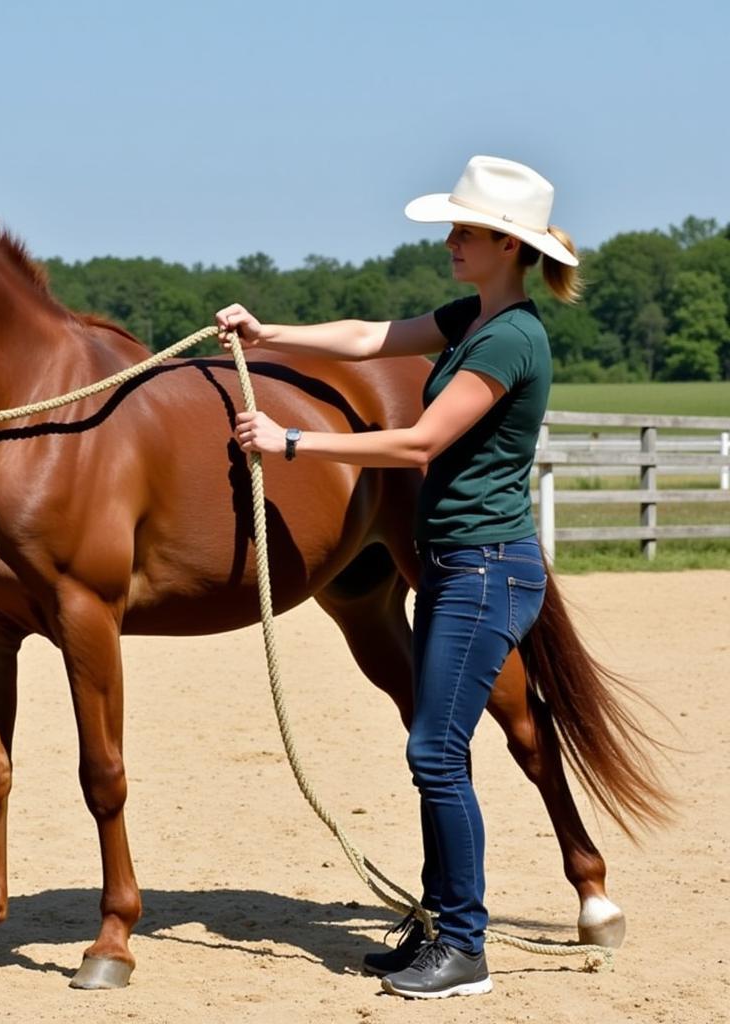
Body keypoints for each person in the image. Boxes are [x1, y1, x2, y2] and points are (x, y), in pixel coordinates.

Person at [215, 155, 582, 1000]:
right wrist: (270, 335)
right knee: (435, 748)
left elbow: (419, 444)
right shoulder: (470, 319)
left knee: (435, 748)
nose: (450, 242)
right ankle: (439, 930)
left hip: (489, 569)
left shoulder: (511, 339)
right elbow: (368, 338)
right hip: (460, 565)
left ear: (506, 245)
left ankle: (464, 949)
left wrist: (292, 444)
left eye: (464, 231)